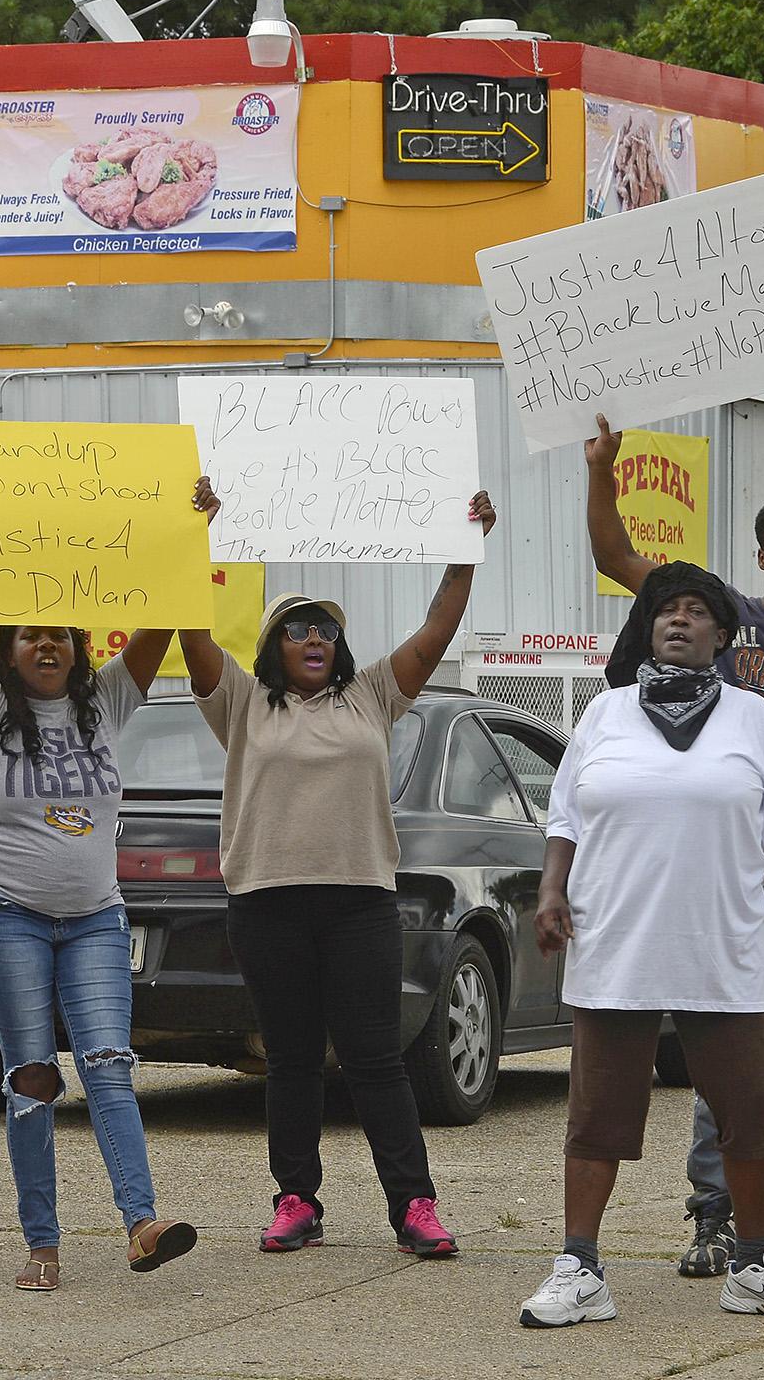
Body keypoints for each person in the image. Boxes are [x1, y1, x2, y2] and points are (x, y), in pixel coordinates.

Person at [179, 477, 494, 1262]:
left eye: (324, 628)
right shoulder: (243, 702)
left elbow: (437, 627)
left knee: (375, 1059)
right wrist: (193, 536)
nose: (314, 637)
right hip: (267, 905)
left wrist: (464, 551)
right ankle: (296, 1200)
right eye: (296, 628)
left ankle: (414, 1206)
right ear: (272, 645)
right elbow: (190, 634)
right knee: (288, 1061)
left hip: (358, 906)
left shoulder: (373, 696)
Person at [0, 477, 195, 1290]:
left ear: (77, 647)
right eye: (29, 635)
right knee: (32, 1073)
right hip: (7, 919)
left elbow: (164, 613)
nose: (45, 645)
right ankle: (44, 1243)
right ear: (9, 651)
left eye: (59, 636)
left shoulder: (107, 702)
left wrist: (189, 523)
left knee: (108, 1062)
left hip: (96, 920)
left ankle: (141, 1222)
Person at [518, 564, 764, 1328]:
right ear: (647, 629)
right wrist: (552, 890)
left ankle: (754, 1265)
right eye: (667, 611)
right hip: (615, 943)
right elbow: (567, 816)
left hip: (729, 947)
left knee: (751, 1115)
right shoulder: (605, 714)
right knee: (597, 1117)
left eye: (697, 613)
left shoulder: (755, 718)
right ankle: (580, 1268)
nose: (680, 621)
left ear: (723, 638)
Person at [585, 413, 764, 1276]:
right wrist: (601, 474)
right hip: (711, 874)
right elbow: (617, 555)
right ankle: (716, 1217)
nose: (684, 617)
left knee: (750, 1073)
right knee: (717, 1060)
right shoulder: (727, 614)